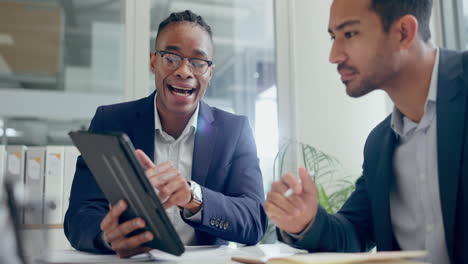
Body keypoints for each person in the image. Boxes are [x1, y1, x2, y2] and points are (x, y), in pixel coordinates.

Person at [264, 0, 468, 263]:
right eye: (333, 37)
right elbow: (355, 232)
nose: (334, 56)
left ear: (404, 32)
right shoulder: (379, 143)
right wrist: (306, 221)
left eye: (349, 34)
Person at [65, 10, 267, 258]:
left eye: (198, 62)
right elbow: (79, 215)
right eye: (171, 57)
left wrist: (194, 197)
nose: (184, 70)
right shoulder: (111, 121)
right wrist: (108, 237)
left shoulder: (234, 131)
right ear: (153, 62)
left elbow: (255, 220)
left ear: (210, 73)